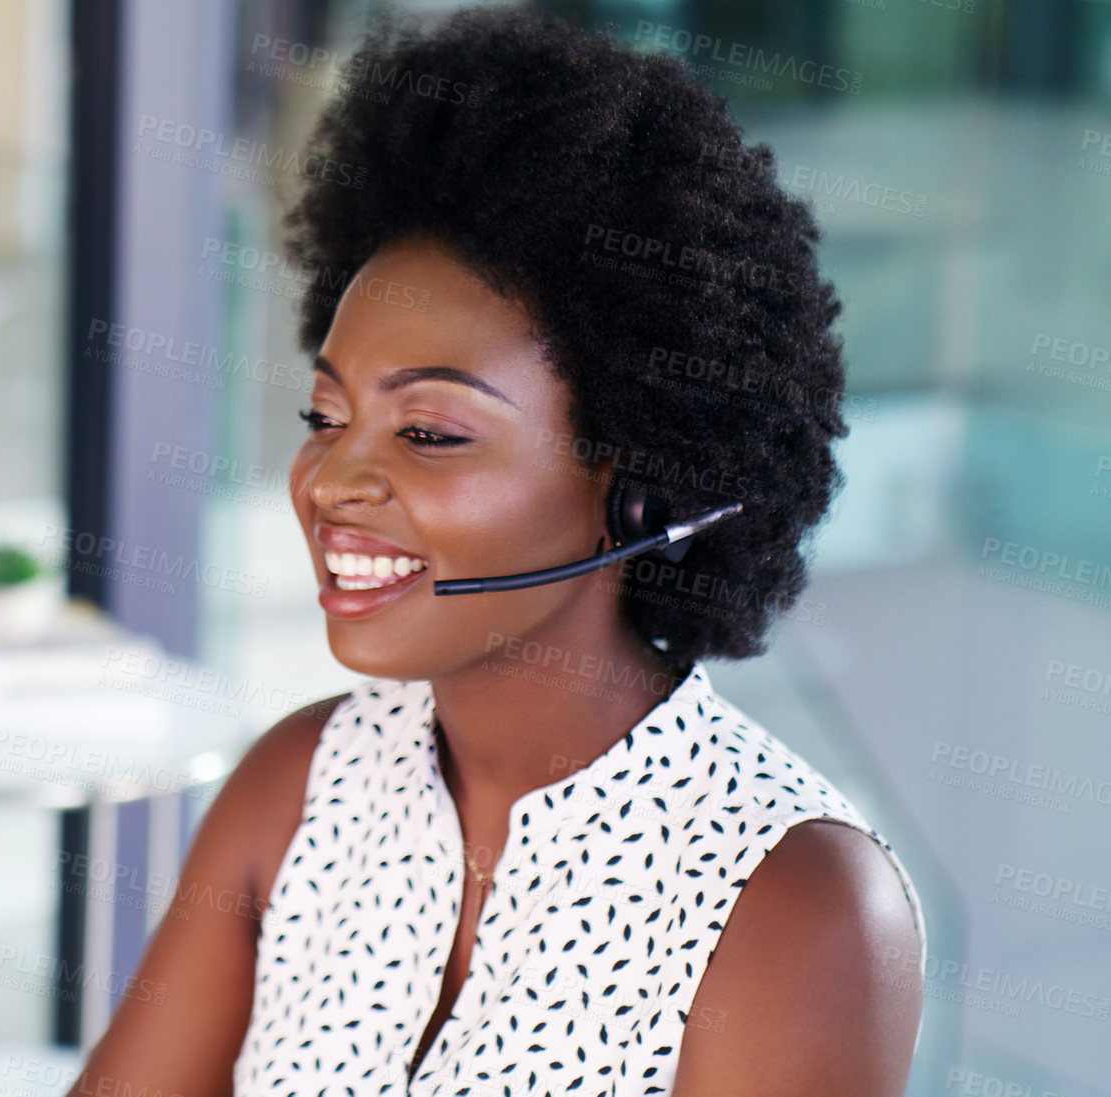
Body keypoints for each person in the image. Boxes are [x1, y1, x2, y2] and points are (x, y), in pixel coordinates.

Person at [67, 6, 926, 1095]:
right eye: (325, 417)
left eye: (428, 431)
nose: (331, 482)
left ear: (639, 476)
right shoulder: (298, 785)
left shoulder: (794, 902)